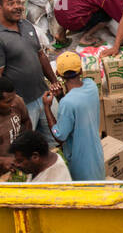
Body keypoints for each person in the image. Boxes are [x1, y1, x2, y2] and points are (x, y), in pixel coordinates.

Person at [0, 0, 57, 140]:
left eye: (18, 2)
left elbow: (40, 55)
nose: (17, 6)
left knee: (54, 140)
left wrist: (54, 81)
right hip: (22, 106)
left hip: (43, 96)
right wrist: (12, 107)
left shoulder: (26, 25)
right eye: (10, 3)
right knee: (26, 147)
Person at [42, 52, 105, 182]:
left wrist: (47, 108)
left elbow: (60, 136)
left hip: (80, 162)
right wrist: (60, 96)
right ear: (81, 70)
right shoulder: (91, 85)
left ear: (58, 74)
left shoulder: (67, 103)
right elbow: (76, 108)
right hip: (96, 155)